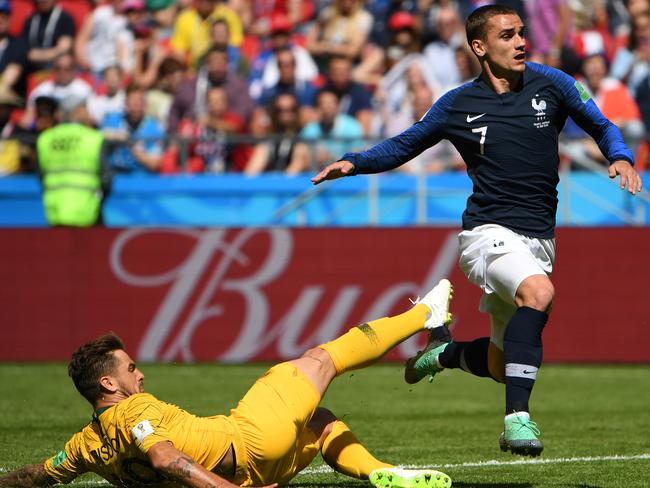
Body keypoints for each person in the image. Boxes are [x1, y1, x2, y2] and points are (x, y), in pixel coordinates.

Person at [312, 4, 643, 458]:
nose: (521, 42)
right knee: (539, 294)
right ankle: (517, 421)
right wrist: (355, 162)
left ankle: (443, 354)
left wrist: (620, 155)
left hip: (539, 239)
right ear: (480, 47)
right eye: (507, 36)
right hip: (485, 234)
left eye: (522, 33)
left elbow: (603, 126)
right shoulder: (457, 103)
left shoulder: (556, 84)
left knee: (501, 363)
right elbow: (406, 144)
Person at [0, 279, 456, 488]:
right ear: (108, 383)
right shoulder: (133, 412)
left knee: (319, 421)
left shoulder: (84, 446)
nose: (141, 374)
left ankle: (379, 471)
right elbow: (165, 459)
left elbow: (36, 475)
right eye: (130, 369)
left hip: (254, 473)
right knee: (318, 361)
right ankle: (425, 315)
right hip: (250, 443)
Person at [36, 95, 107, 227]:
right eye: (85, 109)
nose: (88, 113)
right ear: (78, 111)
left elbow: (40, 175)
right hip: (87, 211)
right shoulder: (93, 138)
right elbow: (106, 178)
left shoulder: (45, 139)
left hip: (54, 212)